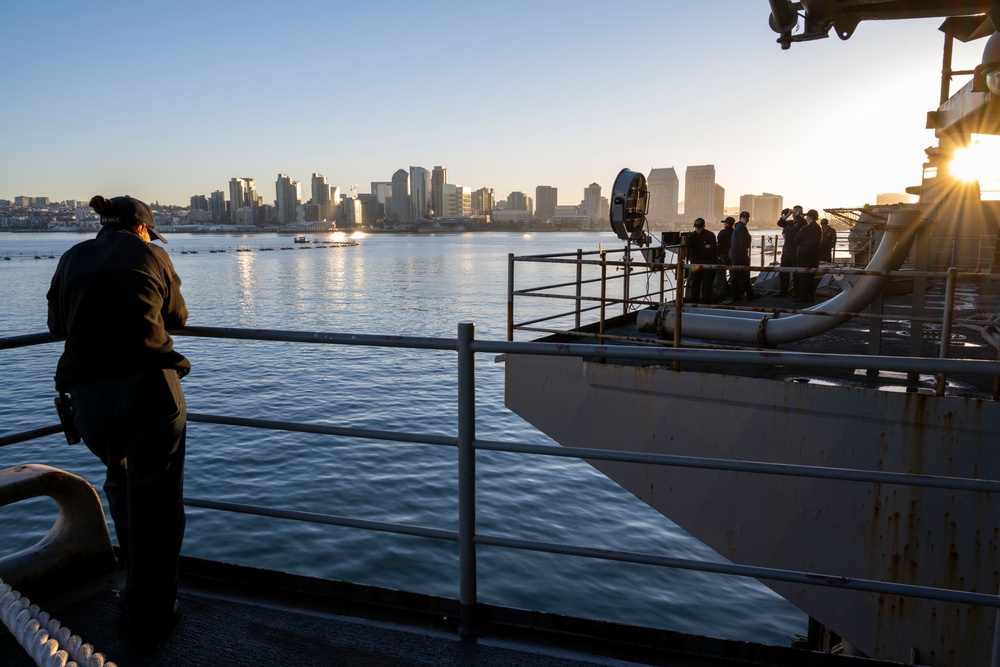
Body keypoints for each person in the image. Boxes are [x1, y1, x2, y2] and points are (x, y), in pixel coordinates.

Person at [46, 195, 189, 640]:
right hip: (149, 392)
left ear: (101, 227)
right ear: (143, 229)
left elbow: (57, 326)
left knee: (122, 488)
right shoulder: (153, 254)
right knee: (158, 506)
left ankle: (134, 593)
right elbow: (177, 318)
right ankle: (153, 613)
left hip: (89, 402)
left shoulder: (71, 258)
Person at [684, 217, 718, 303]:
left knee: (707, 282)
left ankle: (704, 300)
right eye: (696, 227)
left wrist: (699, 249)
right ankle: (695, 300)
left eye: (699, 227)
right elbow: (709, 249)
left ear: (704, 226)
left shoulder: (694, 236)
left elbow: (711, 249)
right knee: (695, 281)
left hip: (700, 262)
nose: (698, 229)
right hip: (701, 262)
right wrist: (704, 248)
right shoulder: (707, 235)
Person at [793, 209, 823, 303]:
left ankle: (803, 296)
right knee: (811, 276)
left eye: (807, 216)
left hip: (803, 255)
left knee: (803, 276)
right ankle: (810, 296)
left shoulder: (806, 228)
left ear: (809, 217)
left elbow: (796, 240)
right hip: (814, 255)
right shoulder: (818, 228)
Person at [729, 211, 759, 301]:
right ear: (742, 217)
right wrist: (744, 254)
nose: (747, 219)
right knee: (743, 274)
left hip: (734, 253)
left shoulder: (738, 227)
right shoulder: (742, 228)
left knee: (735, 275)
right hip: (739, 254)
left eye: (747, 217)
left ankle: (735, 294)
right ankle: (750, 294)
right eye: (745, 217)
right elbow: (743, 243)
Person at [776, 205, 805, 297]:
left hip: (795, 250)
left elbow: (802, 222)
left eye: (796, 211)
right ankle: (782, 291)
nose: (794, 214)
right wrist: (788, 214)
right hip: (786, 250)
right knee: (783, 271)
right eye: (793, 211)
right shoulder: (789, 223)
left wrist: (798, 215)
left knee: (796, 273)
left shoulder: (802, 222)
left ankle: (796, 292)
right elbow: (780, 223)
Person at [716, 216, 735, 298]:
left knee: (722, 274)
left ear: (726, 224)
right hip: (733, 255)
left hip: (723, 255)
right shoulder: (735, 232)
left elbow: (719, 245)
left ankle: (724, 289)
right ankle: (733, 290)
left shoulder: (722, 233)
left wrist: (716, 254)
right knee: (733, 273)